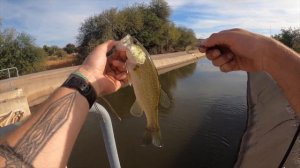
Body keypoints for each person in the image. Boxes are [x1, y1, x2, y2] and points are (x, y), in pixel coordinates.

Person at [0, 28, 299, 167]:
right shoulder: (135, 64)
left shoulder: (138, 63)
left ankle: (151, 125)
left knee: (149, 110)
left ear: (139, 55)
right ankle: (151, 125)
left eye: (135, 44)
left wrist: (87, 79)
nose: (130, 44)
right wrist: (266, 52)